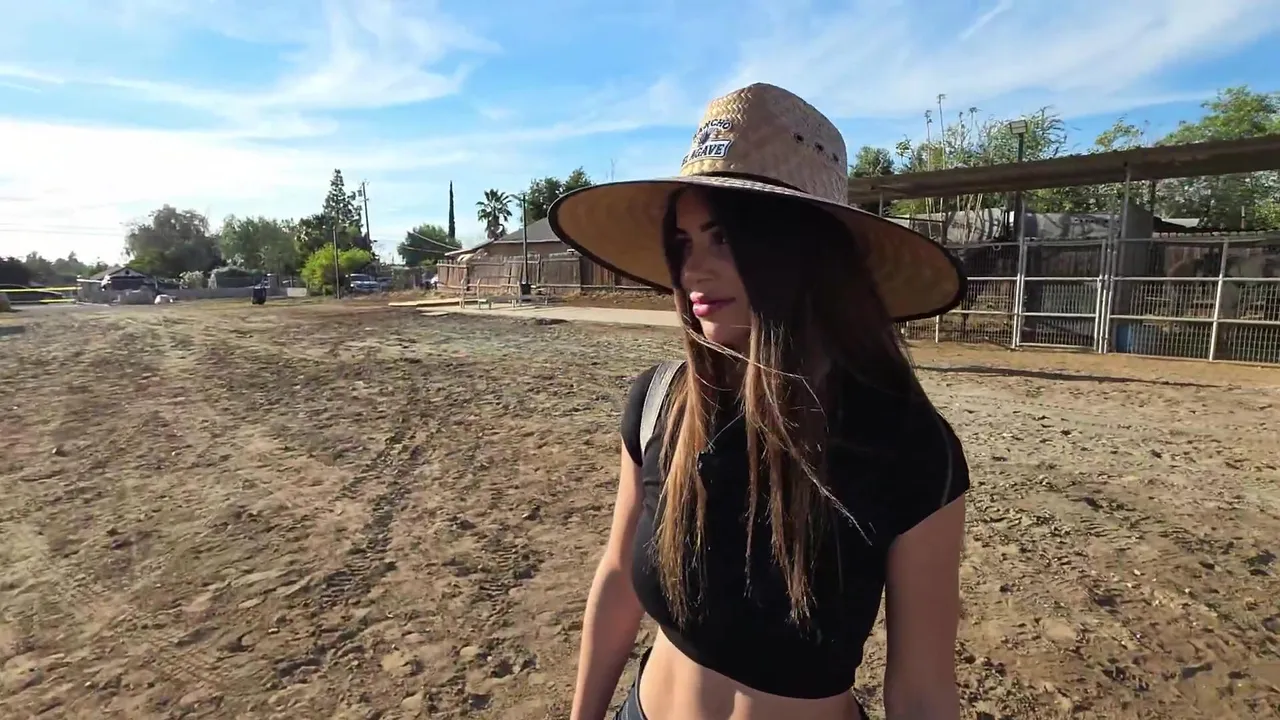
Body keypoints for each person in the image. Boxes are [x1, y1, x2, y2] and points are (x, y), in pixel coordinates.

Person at [547, 83, 970, 720]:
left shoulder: (908, 448)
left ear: (803, 250)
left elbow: (922, 693)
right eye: (684, 243)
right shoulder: (662, 402)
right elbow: (615, 579)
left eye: (724, 238)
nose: (693, 271)